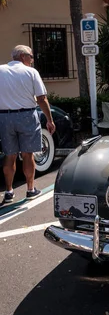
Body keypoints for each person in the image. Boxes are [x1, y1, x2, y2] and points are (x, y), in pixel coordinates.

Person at [0, 45, 56, 205]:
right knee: (27, 154)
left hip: (4, 117)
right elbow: (41, 98)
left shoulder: (1, 70)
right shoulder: (31, 72)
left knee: (9, 155)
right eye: (31, 57)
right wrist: (50, 120)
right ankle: (30, 189)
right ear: (23, 56)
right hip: (26, 115)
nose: (32, 60)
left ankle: (9, 191)